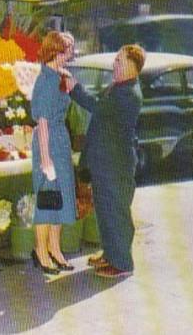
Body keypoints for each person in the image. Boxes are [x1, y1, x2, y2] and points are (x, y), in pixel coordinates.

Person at [66, 44, 146, 278]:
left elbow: (98, 108)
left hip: (116, 164)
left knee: (116, 212)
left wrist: (74, 88)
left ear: (133, 66)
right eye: (116, 59)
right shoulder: (119, 87)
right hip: (106, 162)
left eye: (120, 61)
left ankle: (122, 263)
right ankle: (110, 254)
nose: (115, 64)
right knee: (104, 210)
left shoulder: (129, 94)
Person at [30, 31, 77, 275]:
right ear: (56, 52)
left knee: (60, 199)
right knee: (48, 199)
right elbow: (43, 123)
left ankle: (55, 249)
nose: (71, 53)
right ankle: (41, 251)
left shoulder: (59, 76)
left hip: (60, 141)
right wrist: (46, 160)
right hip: (48, 143)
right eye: (68, 49)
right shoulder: (46, 81)